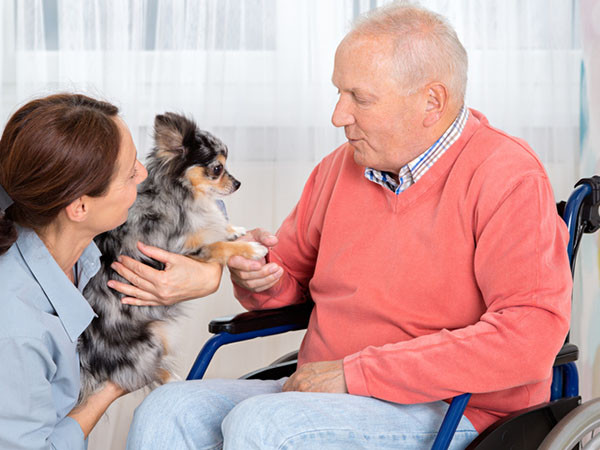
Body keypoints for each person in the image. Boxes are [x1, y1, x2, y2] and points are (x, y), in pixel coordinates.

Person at [124, 2, 572, 449]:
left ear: (431, 102)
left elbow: (527, 340)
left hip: (456, 405)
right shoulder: (339, 169)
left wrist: (356, 373)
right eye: (339, 93)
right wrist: (263, 276)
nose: (339, 115)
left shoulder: (507, 175)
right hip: (322, 388)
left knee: (263, 426)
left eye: (360, 97)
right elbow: (290, 278)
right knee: (166, 410)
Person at [0, 93, 222, 449]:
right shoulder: (16, 329)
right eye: (129, 171)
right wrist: (115, 385)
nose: (144, 174)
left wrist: (209, 275)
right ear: (80, 206)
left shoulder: (79, 239)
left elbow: (189, 210)